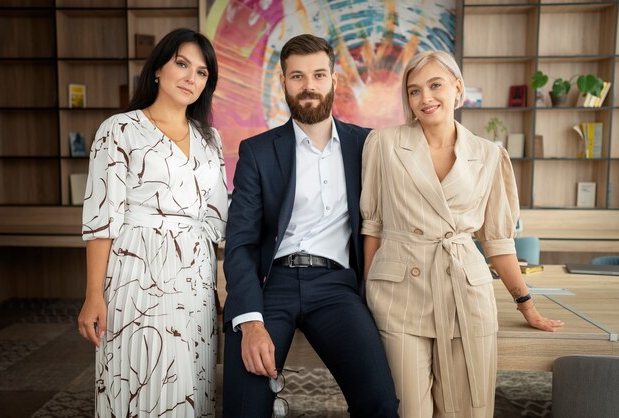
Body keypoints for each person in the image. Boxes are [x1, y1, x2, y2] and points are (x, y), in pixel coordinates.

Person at [360, 50, 564, 418]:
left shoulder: (489, 155)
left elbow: (498, 241)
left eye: (435, 85)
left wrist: (527, 305)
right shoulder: (384, 143)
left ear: (458, 89)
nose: (425, 98)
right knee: (410, 410)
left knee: (466, 408)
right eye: (414, 91)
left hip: (466, 292)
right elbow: (371, 226)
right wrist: (367, 289)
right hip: (398, 291)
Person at [222, 34, 399, 417]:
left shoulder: (366, 145)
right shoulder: (258, 151)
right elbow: (240, 243)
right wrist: (250, 321)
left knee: (381, 403)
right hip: (273, 286)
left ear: (334, 80)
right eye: (297, 77)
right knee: (244, 409)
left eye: (319, 75)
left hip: (337, 287)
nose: (309, 86)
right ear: (283, 83)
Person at [77, 28, 228, 417]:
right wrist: (94, 293)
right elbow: (101, 218)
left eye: (201, 72)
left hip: (196, 279)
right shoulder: (120, 129)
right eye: (181, 64)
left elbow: (218, 218)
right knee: (141, 374)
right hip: (136, 271)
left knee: (190, 382)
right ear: (158, 69)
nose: (190, 78)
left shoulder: (211, 139)